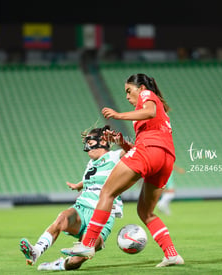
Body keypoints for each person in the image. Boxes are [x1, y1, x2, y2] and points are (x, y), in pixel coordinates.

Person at [61, 73, 184, 267]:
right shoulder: (153, 112)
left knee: (107, 192)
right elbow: (145, 140)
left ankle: (88, 243)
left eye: (129, 91)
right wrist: (122, 143)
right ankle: (171, 254)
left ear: (141, 88)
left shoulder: (147, 96)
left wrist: (118, 115)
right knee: (145, 211)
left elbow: (149, 112)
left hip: (150, 152)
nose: (127, 96)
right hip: (165, 158)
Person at [19, 125, 127, 271]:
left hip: (103, 214)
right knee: (62, 218)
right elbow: (94, 179)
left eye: (89, 143)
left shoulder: (114, 156)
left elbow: (133, 151)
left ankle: (59, 265)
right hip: (82, 209)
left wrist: (120, 141)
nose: (87, 148)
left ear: (101, 142)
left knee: (77, 260)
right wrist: (79, 185)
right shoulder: (91, 163)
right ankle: (35, 252)